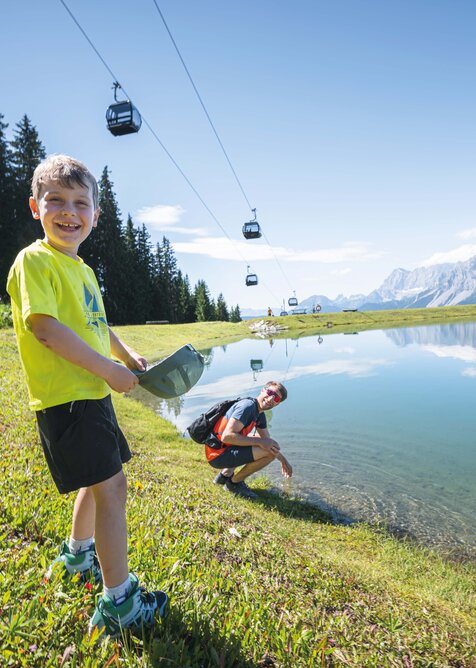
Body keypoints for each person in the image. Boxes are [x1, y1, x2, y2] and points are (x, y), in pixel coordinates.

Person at [6, 154, 168, 640]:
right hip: (69, 399)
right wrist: (107, 370)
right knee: (112, 489)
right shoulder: (36, 260)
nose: (69, 211)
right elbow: (47, 329)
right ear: (36, 207)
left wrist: (126, 354)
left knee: (96, 484)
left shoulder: (81, 267)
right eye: (56, 200)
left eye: (81, 203)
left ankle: (78, 557)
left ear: (96, 215)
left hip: (90, 395)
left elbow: (97, 323)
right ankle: (119, 604)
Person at [206, 381, 292, 499]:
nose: (271, 398)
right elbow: (227, 436)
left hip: (222, 449)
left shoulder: (259, 413)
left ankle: (224, 475)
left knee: (265, 442)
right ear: (263, 390)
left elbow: (268, 442)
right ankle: (233, 483)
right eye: (270, 392)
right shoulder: (247, 407)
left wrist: (283, 461)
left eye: (276, 398)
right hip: (217, 455)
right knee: (268, 453)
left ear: (277, 403)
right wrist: (260, 442)